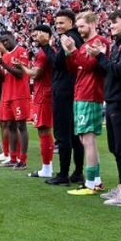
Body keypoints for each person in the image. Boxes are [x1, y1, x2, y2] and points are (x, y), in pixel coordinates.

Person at [87, 9, 121, 206]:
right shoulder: (118, 43)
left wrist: (101, 56)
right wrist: (98, 57)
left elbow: (118, 70)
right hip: (113, 99)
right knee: (115, 146)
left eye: (114, 22)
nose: (110, 26)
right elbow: (109, 70)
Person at [62, 11, 110, 195]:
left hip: (90, 93)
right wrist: (69, 52)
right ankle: (96, 181)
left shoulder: (99, 42)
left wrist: (73, 49)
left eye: (81, 26)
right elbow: (74, 68)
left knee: (88, 138)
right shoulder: (85, 45)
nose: (79, 29)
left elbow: (90, 66)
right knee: (84, 138)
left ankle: (89, 183)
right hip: (81, 92)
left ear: (91, 24)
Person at [38, 10, 85, 185]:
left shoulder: (68, 38)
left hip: (64, 90)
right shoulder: (74, 37)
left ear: (71, 23)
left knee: (63, 133)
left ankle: (63, 174)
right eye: (56, 23)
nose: (58, 26)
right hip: (71, 88)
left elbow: (56, 62)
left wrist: (45, 46)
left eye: (61, 23)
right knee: (74, 134)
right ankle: (78, 172)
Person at [0, 32, 30, 170]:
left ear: (13, 39)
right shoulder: (5, 55)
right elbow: (3, 78)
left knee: (21, 126)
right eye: (3, 42)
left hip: (19, 94)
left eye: (7, 41)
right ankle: (13, 158)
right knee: (10, 126)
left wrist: (2, 63)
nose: (5, 44)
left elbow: (20, 73)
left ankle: (23, 160)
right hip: (7, 94)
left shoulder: (22, 51)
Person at [22, 25, 55, 178]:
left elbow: (35, 74)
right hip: (43, 93)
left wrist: (21, 67)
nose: (34, 39)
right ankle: (47, 167)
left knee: (44, 129)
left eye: (36, 35)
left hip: (44, 94)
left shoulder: (43, 53)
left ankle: (47, 169)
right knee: (44, 129)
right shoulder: (44, 52)